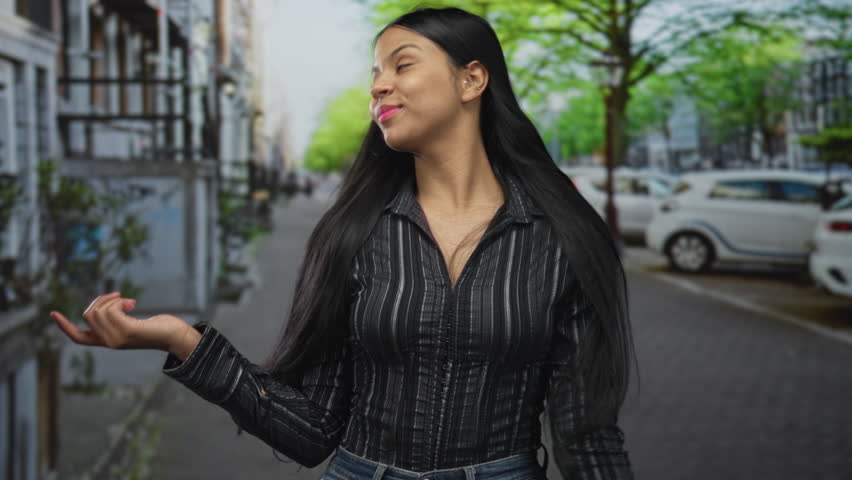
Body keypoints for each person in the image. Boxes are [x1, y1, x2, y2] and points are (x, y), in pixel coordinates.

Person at [51, 7, 637, 480]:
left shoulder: (559, 237)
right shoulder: (353, 233)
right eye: (374, 72)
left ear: (472, 79)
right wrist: (183, 341)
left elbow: (587, 437)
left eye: (401, 65)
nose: (379, 84)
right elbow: (310, 432)